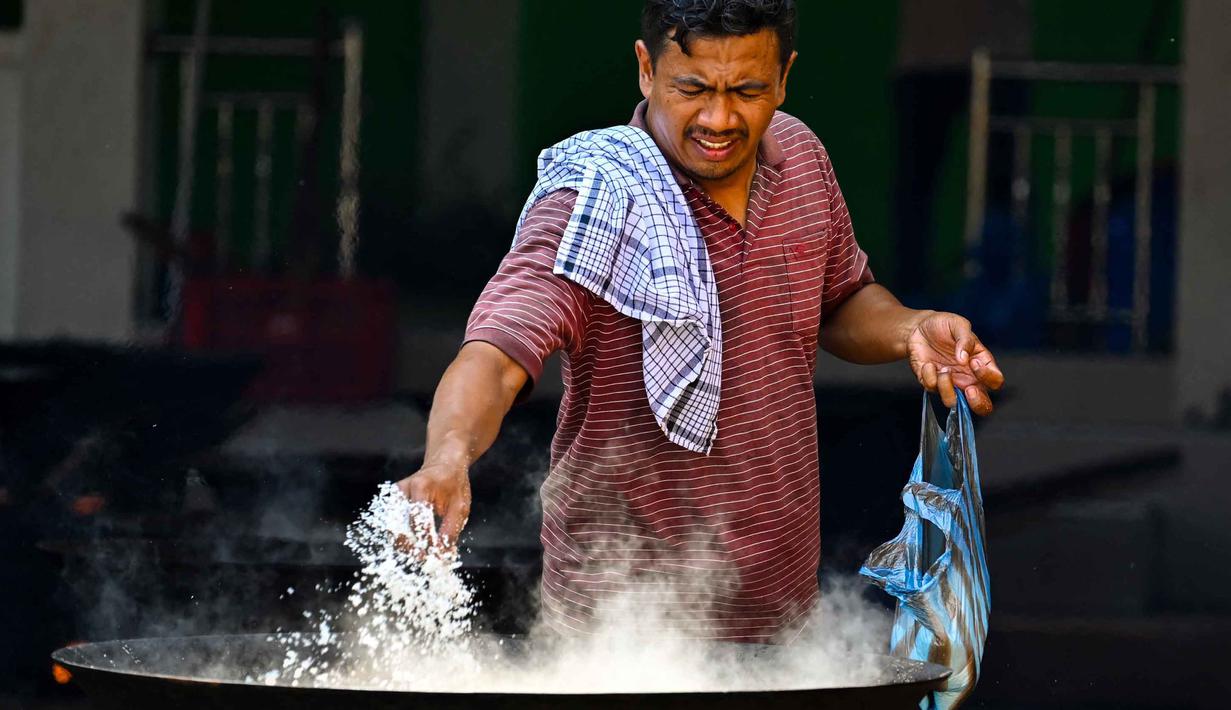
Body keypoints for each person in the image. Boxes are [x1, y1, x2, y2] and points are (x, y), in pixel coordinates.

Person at [399, 0, 1005, 642]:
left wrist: (912, 328)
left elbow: (842, 300)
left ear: (783, 78)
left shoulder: (801, 159)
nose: (719, 119)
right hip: (618, 627)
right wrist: (447, 457)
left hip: (781, 616)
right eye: (693, 89)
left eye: (746, 91)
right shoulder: (594, 201)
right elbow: (496, 353)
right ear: (645, 70)